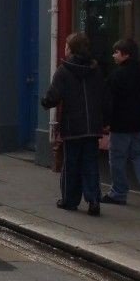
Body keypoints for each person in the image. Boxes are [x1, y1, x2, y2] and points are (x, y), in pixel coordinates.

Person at [41, 31, 107, 216]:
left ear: (71, 49)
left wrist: (45, 102)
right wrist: (105, 120)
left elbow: (53, 96)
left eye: (66, 45)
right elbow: (104, 97)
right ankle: (94, 200)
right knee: (91, 164)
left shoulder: (64, 70)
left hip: (73, 125)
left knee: (71, 164)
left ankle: (70, 200)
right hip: (92, 126)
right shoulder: (96, 70)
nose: (65, 48)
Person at [103, 38, 140, 207]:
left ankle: (119, 193)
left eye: (116, 52)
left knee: (117, 158)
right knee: (139, 154)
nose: (113, 55)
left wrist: (106, 120)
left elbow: (109, 100)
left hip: (120, 125)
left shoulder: (117, 75)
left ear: (125, 54)